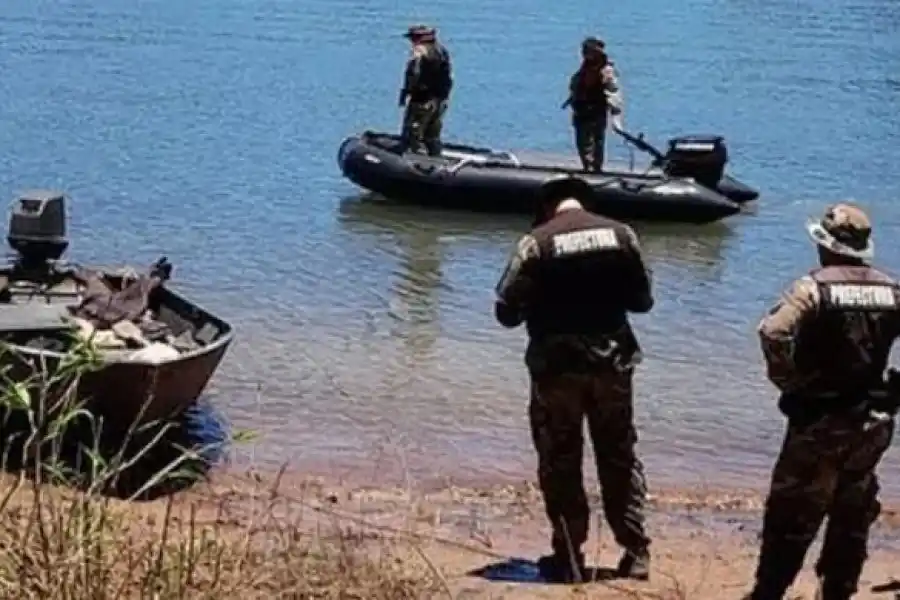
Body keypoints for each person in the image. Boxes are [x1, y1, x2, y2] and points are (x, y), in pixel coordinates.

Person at [493, 176, 654, 583]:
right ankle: (635, 551)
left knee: (560, 459)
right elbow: (643, 301)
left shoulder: (536, 243)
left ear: (547, 207)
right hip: (613, 367)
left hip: (556, 369)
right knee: (618, 455)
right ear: (586, 203)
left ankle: (568, 552)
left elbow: (506, 311)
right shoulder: (622, 235)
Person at [746, 203, 900, 600]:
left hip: (819, 419)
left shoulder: (812, 288)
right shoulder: (891, 289)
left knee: (791, 512)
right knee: (852, 510)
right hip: (872, 421)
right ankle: (837, 591)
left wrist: (789, 380)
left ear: (826, 245)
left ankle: (770, 591)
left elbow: (773, 332)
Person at [562, 37, 624, 173]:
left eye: (587, 50)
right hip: (581, 110)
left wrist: (615, 111)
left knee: (596, 142)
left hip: (596, 110)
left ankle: (595, 168)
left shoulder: (606, 71)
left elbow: (613, 90)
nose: (584, 53)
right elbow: (577, 86)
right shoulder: (585, 68)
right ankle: (587, 166)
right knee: (582, 142)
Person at [397, 24, 453, 157]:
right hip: (440, 99)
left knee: (413, 131)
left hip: (422, 99)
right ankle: (435, 156)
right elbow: (448, 76)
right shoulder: (442, 51)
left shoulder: (419, 52)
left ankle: (415, 159)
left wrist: (406, 92)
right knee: (432, 134)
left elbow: (413, 74)